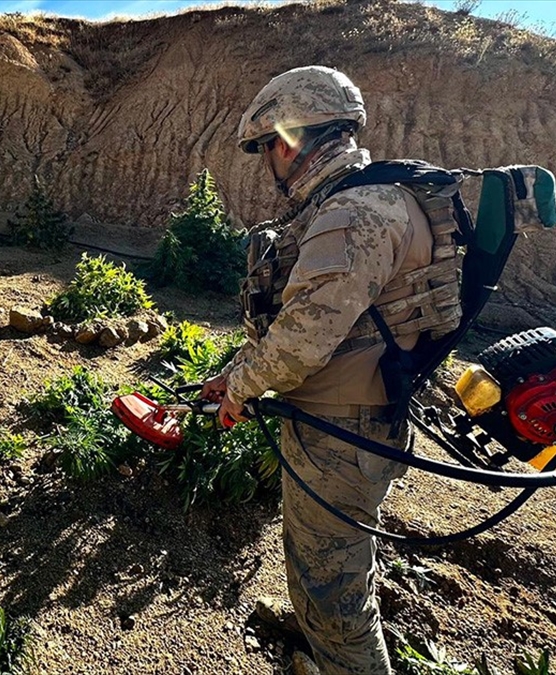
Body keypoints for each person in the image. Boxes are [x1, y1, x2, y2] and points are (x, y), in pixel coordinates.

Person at [202, 66, 461, 675]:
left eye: (269, 146)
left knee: (335, 601)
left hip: (343, 434)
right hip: (347, 419)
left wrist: (238, 386)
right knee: (333, 567)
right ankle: (322, 630)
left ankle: (341, 654)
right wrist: (238, 371)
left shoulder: (357, 213)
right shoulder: (371, 199)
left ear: (293, 140)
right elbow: (318, 321)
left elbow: (302, 339)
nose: (269, 161)